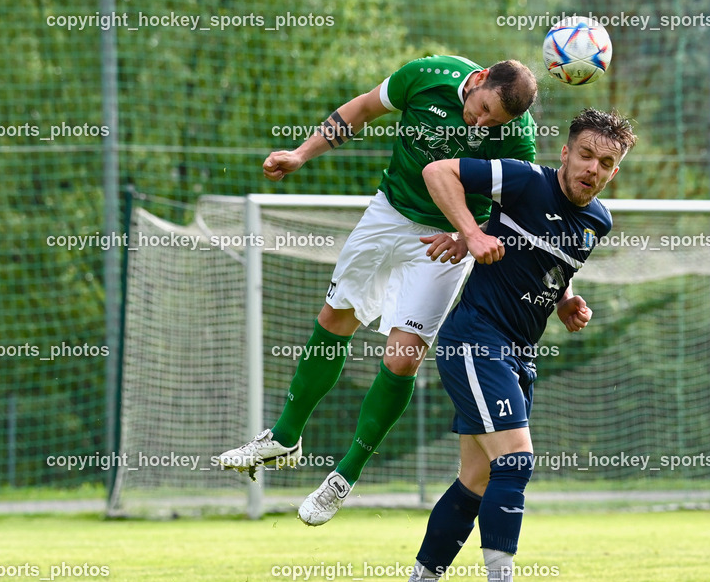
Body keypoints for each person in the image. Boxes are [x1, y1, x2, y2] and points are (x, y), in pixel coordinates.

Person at [218, 55, 539, 526]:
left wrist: (465, 234)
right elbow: (362, 109)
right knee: (334, 320)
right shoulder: (426, 75)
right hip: (388, 214)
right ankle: (285, 436)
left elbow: (519, 205)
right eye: (484, 108)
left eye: (497, 120)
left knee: (403, 357)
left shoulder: (519, 134)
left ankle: (344, 476)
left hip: (444, 241)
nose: (484, 123)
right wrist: (300, 154)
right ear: (480, 79)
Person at [384, 108, 637, 582]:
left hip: (518, 353)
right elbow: (438, 173)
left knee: (476, 481)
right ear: (565, 152)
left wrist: (566, 299)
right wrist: (471, 232)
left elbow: (551, 265)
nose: (594, 168)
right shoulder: (524, 180)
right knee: (515, 462)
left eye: (608, 162)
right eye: (587, 154)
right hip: (476, 339)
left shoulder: (598, 221)